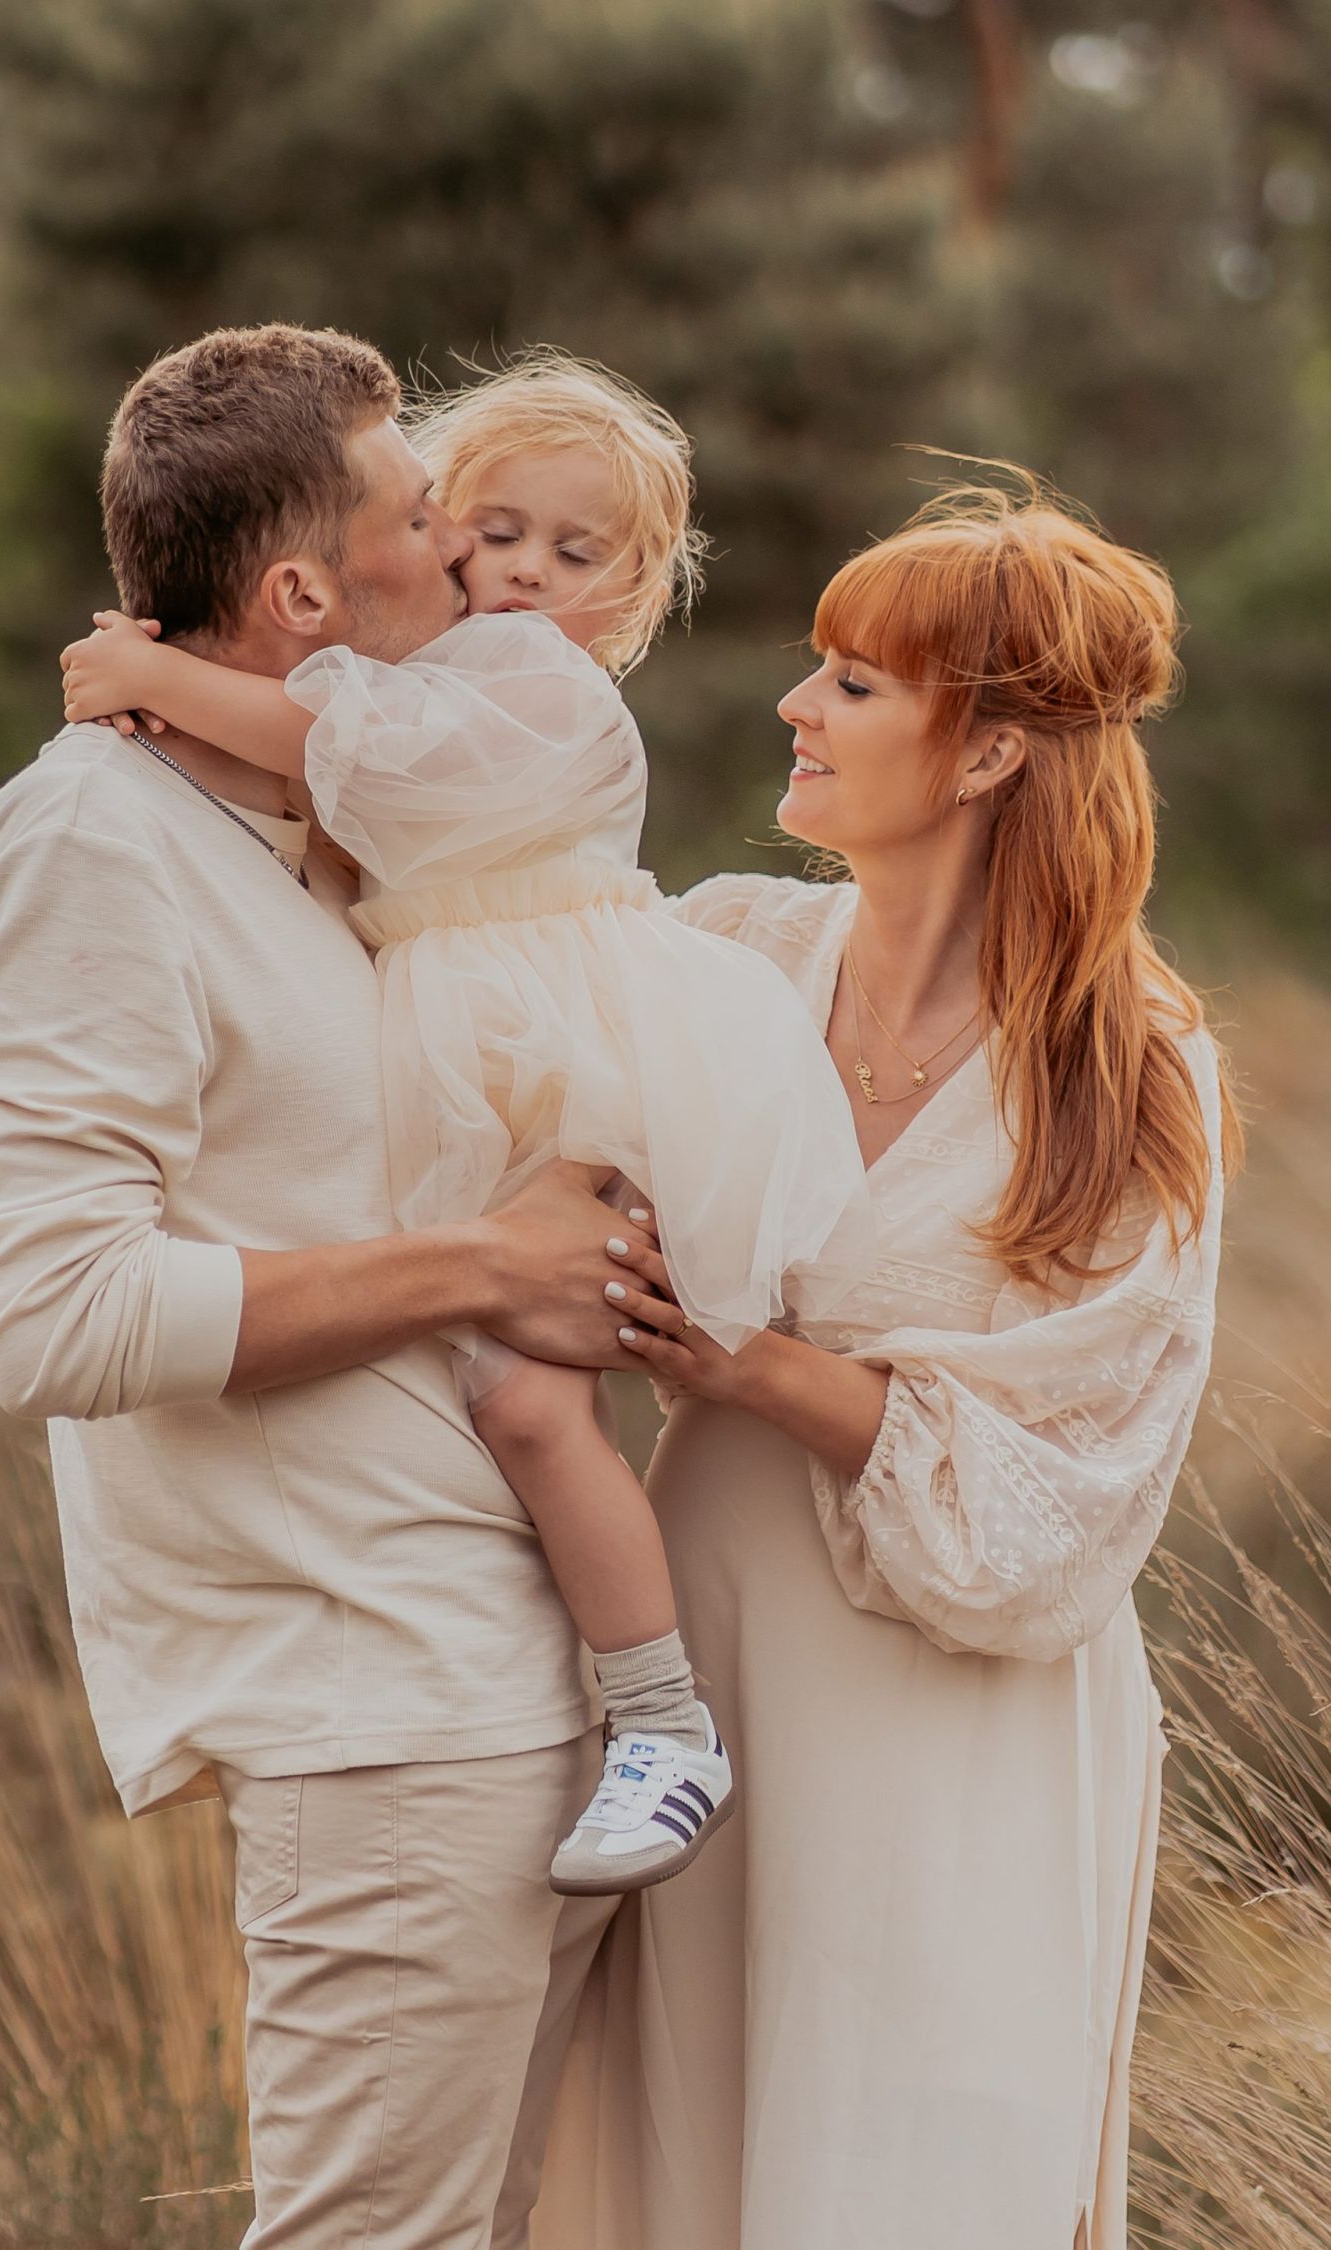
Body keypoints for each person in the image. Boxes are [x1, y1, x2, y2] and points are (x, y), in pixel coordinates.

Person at [0, 322, 685, 2250]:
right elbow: (55, 1315)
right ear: (301, 591)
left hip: (527, 1684)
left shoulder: (334, 838)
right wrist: (485, 1258)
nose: (465, 551)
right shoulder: (88, 837)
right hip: (368, 1713)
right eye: (426, 514)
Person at [502, 475, 1239, 2250]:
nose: (794, 707)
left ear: (986, 755)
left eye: (853, 682)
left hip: (958, 1699)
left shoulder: (1132, 1068)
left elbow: (1075, 1489)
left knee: (906, 2151)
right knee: (677, 2137)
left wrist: (748, 1362)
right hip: (704, 1643)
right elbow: (475, 1013)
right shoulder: (728, 955)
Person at [58, 353, 872, 1895]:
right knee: (493, 1395)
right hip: (485, 1048)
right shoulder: (432, 665)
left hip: (557, 1051)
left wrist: (148, 676)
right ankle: (603, 1692)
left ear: (625, 596)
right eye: (487, 526)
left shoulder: (536, 688)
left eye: (575, 557)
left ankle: (663, 1721)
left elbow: (340, 751)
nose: (515, 571)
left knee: (528, 1406)